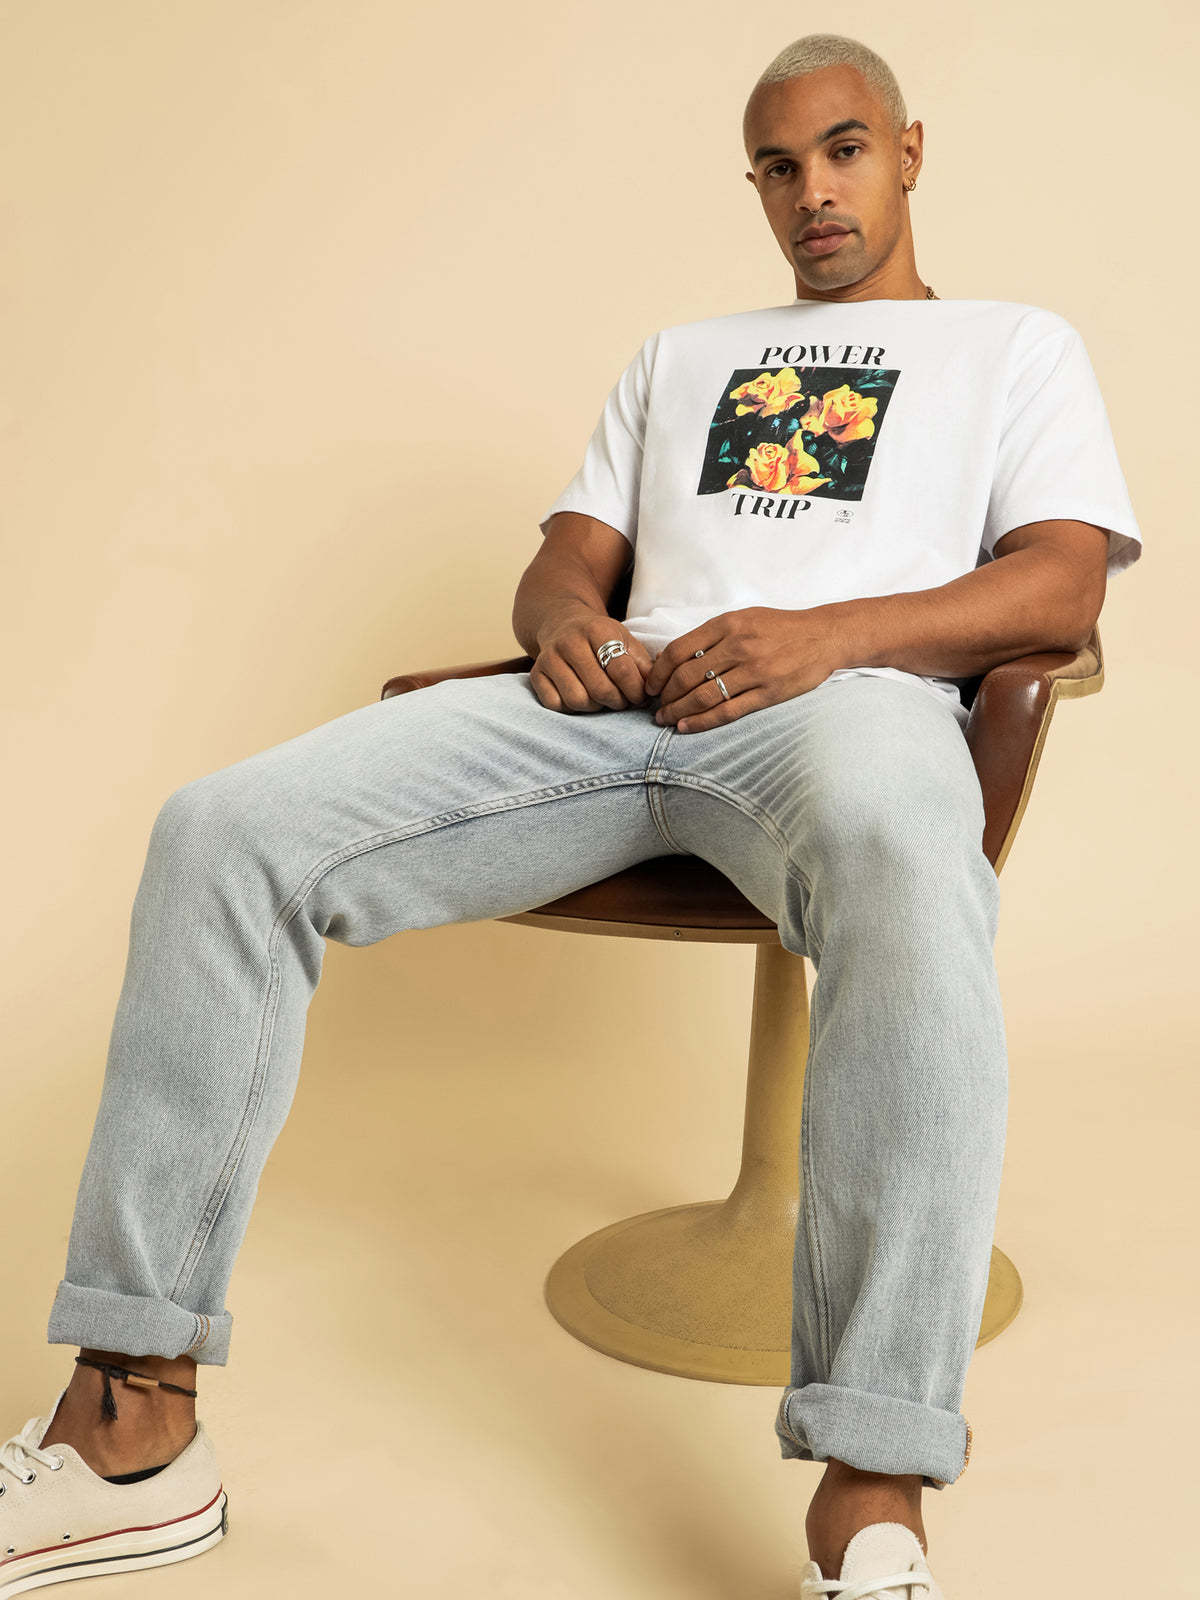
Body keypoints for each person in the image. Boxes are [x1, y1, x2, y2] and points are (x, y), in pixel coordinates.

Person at [0, 31, 1140, 1600]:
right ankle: (135, 1422)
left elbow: (1061, 584)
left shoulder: (1013, 347)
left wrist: (825, 638)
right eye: (779, 166)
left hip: (846, 706)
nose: (814, 191)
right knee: (220, 832)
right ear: (755, 186)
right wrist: (563, 627)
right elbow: (565, 559)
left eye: (844, 151)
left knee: (907, 856)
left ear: (909, 151)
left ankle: (872, 1494)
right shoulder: (679, 356)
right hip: (614, 704)